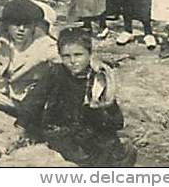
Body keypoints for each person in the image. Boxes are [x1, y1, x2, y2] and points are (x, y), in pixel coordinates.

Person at [16, 27, 137, 167]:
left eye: (78, 55)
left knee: (121, 149)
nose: (72, 61)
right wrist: (21, 126)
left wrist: (107, 106)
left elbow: (116, 123)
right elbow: (34, 101)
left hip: (88, 131)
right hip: (60, 131)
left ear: (89, 54)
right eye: (66, 56)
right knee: (81, 158)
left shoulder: (97, 78)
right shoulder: (56, 72)